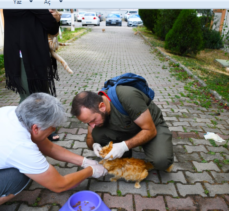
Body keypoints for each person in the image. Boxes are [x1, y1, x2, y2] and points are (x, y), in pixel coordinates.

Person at [0, 93, 107, 205]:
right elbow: (60, 185)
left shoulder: (14, 112)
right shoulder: (21, 147)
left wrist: (83, 161)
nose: (53, 131)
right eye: (52, 129)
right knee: (20, 176)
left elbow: (49, 147)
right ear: (36, 128)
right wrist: (90, 171)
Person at [71, 86, 174, 171]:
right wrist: (94, 145)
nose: (91, 125)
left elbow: (150, 130)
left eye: (93, 120)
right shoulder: (92, 111)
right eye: (88, 123)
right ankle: (125, 155)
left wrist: (124, 146)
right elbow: (90, 137)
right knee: (97, 135)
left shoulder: (128, 97)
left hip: (151, 126)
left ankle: (136, 145)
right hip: (126, 127)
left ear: (102, 107)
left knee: (161, 161)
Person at [3, 9, 61, 141]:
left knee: (33, 93)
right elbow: (51, 26)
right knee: (33, 95)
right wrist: (55, 18)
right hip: (29, 53)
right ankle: (34, 128)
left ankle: (44, 126)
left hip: (22, 53)